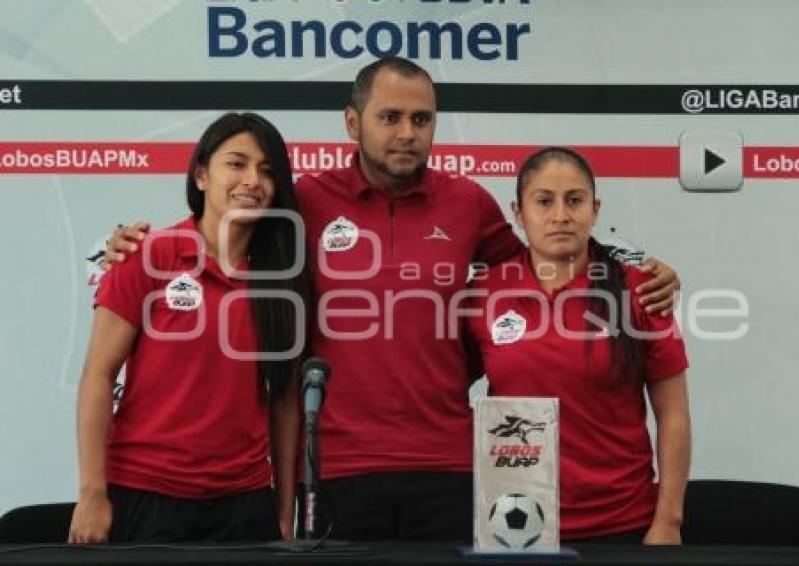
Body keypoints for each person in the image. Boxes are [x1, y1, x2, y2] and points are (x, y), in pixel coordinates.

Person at [104, 57, 680, 542]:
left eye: (422, 119)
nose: (407, 132)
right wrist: (117, 245)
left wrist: (639, 264)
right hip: (334, 468)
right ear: (353, 123)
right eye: (391, 117)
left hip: (450, 467)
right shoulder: (304, 201)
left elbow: (553, 246)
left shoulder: (469, 202)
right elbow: (219, 238)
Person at [68, 113, 309, 543]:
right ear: (201, 175)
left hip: (245, 502)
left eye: (267, 171)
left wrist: (284, 510)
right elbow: (98, 376)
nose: (252, 180)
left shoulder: (283, 279)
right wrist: (91, 495)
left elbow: (284, 400)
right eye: (236, 164)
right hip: (146, 494)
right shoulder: (149, 253)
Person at [466, 147, 691, 544]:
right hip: (514, 524)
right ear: (518, 213)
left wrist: (668, 522)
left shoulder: (639, 291)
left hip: (623, 522)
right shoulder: (483, 293)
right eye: (544, 201)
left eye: (574, 200)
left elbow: (672, 415)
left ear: (595, 208)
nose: (560, 215)